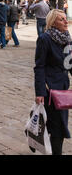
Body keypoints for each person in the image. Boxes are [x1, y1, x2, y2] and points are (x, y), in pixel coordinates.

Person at [34, 9, 72, 155]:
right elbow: (39, 67)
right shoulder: (45, 39)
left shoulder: (67, 38)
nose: (66, 21)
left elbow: (70, 63)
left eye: (65, 18)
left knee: (58, 125)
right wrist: (40, 92)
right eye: (61, 19)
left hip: (63, 88)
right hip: (50, 89)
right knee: (57, 127)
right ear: (53, 22)